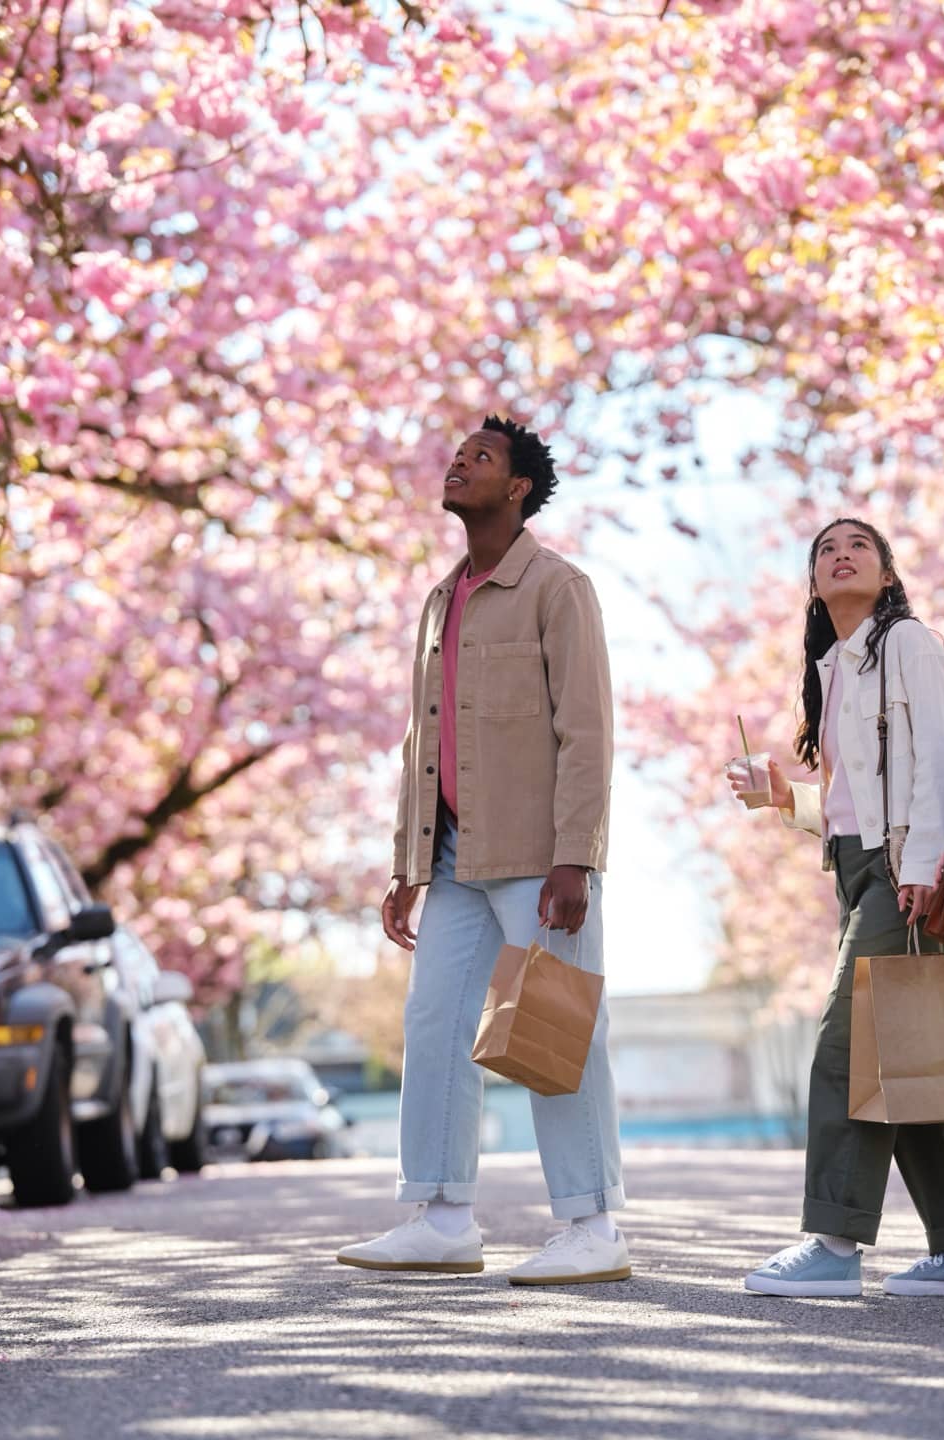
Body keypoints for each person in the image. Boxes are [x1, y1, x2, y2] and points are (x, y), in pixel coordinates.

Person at [336, 415, 628, 1286]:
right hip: (455, 857)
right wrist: (408, 863)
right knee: (432, 1027)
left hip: (542, 858)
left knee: (555, 1032)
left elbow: (588, 730)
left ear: (518, 489)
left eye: (483, 458)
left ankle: (592, 1225)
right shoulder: (442, 599)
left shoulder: (557, 586)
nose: (460, 463)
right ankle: (442, 1216)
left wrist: (577, 854)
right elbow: (421, 742)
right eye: (458, 454)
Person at [734, 518, 944, 1300]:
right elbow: (855, 808)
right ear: (814, 584)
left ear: (887, 574)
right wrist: (788, 801)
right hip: (862, 870)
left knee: (845, 1050)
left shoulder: (908, 645)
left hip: (903, 874)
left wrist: (921, 865)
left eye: (858, 545)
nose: (840, 554)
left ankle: (833, 1241)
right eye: (825, 550)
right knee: (904, 1056)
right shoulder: (836, 668)